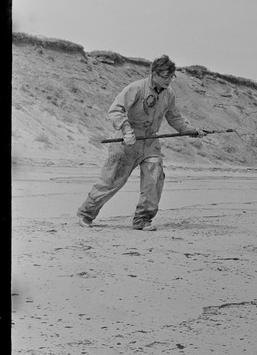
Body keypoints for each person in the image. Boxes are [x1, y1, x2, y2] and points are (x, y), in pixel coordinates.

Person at [77, 54, 205, 231]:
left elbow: (174, 117)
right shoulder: (136, 88)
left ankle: (143, 220)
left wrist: (190, 130)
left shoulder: (169, 94)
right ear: (154, 73)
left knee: (154, 178)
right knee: (112, 181)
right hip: (127, 142)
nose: (169, 80)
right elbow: (115, 110)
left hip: (151, 141)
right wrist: (126, 130)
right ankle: (86, 214)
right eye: (165, 76)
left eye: (171, 76)